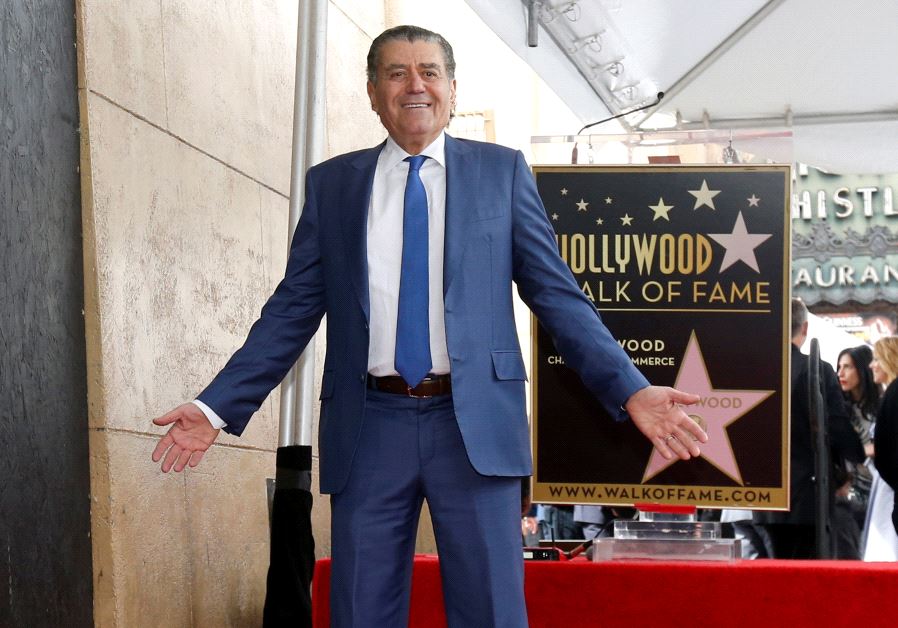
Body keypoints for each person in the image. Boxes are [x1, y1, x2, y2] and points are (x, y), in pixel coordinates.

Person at [150, 25, 707, 627]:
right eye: (396, 73)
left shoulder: (501, 172)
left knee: (491, 611)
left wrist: (631, 388)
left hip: (475, 428)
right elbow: (291, 310)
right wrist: (215, 407)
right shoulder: (333, 186)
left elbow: (557, 296)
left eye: (429, 72)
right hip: (369, 427)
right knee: (360, 611)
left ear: (452, 88)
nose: (414, 85)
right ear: (373, 93)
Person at [754, 298, 864, 559]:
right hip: (808, 493)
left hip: (762, 493)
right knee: (806, 566)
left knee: (773, 563)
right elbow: (836, 423)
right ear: (805, 327)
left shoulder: (756, 369)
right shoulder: (817, 368)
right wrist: (855, 455)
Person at [836, 345, 879, 527]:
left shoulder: (882, 404)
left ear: (862, 368)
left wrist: (866, 449)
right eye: (839, 367)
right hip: (850, 491)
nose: (840, 373)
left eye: (848, 367)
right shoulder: (840, 407)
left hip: (880, 486)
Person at [864, 336, 898, 560]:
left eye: (877, 359)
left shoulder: (893, 394)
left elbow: (886, 450)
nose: (871, 365)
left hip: (890, 488)